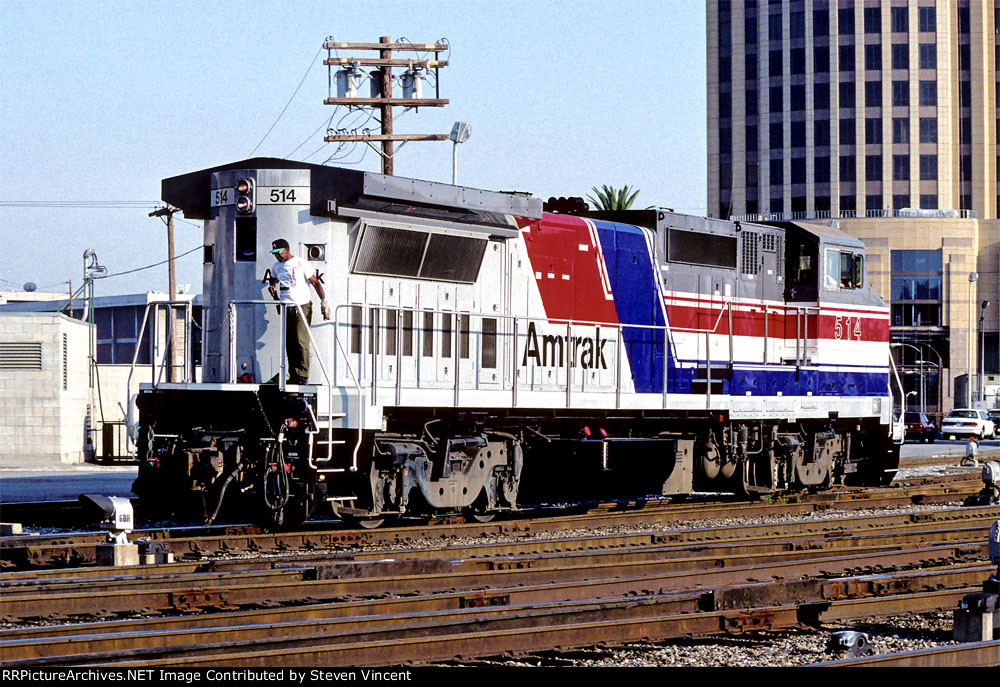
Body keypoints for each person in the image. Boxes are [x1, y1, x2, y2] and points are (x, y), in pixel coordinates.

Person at [267, 238, 329, 384]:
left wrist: (323, 301)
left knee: (301, 340)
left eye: (279, 252)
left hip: (301, 305)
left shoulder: (301, 263)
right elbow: (273, 280)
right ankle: (293, 373)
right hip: (285, 306)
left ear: (287, 250)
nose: (277, 255)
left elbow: (315, 282)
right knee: (290, 342)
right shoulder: (276, 267)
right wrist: (273, 290)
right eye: (274, 253)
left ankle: (303, 374)